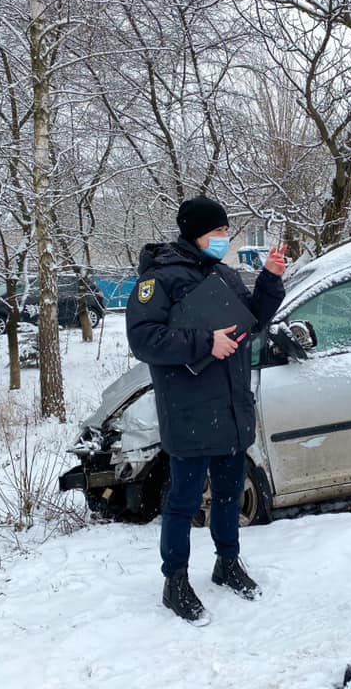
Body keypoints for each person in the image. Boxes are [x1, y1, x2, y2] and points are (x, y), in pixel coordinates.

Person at [125, 196, 286, 625]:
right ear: (196, 232)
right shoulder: (159, 281)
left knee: (230, 495)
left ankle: (226, 562)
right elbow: (143, 339)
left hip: (231, 407)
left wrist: (269, 281)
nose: (222, 239)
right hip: (190, 410)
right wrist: (204, 343)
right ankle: (174, 579)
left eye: (223, 232)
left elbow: (252, 322)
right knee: (183, 500)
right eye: (216, 232)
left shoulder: (225, 274)